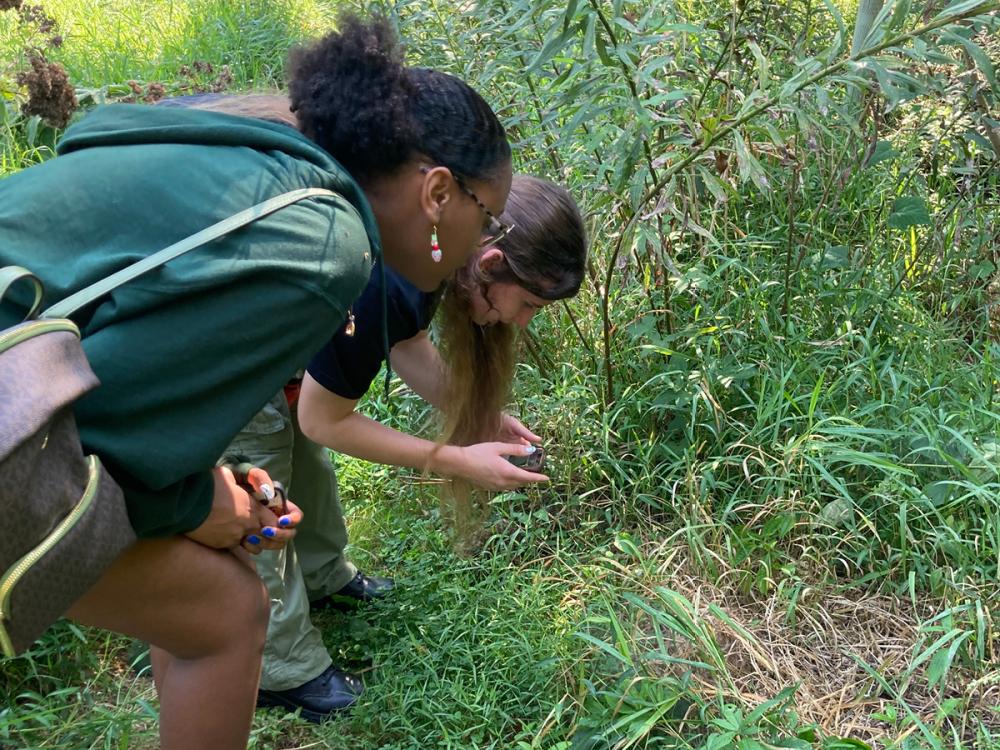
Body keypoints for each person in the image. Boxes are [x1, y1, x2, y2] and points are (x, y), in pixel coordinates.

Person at [0, 13, 512, 750]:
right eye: (488, 217)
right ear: (438, 194)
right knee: (230, 609)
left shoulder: (257, 150)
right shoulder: (324, 244)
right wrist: (206, 503)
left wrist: (214, 486)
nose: (484, 242)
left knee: (213, 580)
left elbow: (128, 370)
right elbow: (106, 449)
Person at [226, 175, 587, 722]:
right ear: (489, 263)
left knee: (306, 463)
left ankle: (325, 577)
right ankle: (283, 667)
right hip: (230, 344)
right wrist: (453, 459)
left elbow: (406, 339)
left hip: (278, 332)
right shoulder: (386, 274)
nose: (522, 320)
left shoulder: (435, 248)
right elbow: (326, 419)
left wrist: (475, 416)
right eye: (530, 303)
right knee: (258, 484)